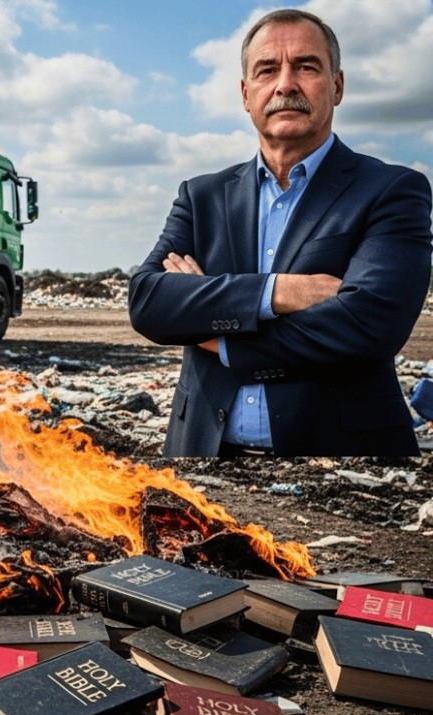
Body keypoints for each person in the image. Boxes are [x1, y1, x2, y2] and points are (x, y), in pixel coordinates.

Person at [128, 8, 432, 457]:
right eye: (267, 70)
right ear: (246, 94)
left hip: (341, 462)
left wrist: (215, 333)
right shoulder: (201, 196)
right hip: (201, 461)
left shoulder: (392, 190)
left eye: (306, 67)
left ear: (337, 86)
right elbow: (149, 301)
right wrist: (279, 292)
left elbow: (369, 326)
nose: (285, 84)